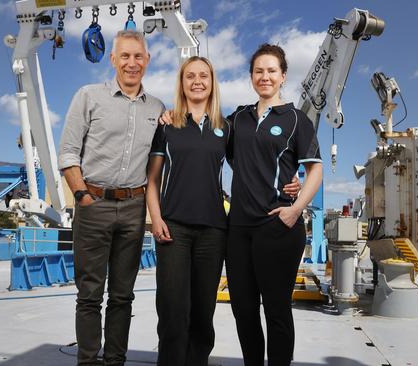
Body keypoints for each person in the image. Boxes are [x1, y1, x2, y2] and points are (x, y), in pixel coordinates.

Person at [150, 57, 300, 366]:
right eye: (190, 76)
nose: (197, 81)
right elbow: (151, 180)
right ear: (181, 83)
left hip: (214, 232)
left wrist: (290, 179)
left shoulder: (226, 127)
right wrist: (156, 218)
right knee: (172, 311)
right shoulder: (167, 125)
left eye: (204, 76)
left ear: (212, 82)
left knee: (203, 315)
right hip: (173, 228)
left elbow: (254, 160)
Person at [58, 30, 165, 366]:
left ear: (147, 60)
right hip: (94, 204)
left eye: (138, 57)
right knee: (89, 295)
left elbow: (157, 164)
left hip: (133, 209)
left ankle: (115, 361)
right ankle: (88, 361)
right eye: (125, 56)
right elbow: (69, 152)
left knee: (122, 296)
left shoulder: (158, 108)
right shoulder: (88, 96)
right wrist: (82, 196)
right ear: (113, 59)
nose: (132, 63)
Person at [225, 44, 323, 366]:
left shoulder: (296, 120)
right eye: (258, 71)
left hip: (278, 225)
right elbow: (204, 131)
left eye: (271, 71)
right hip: (238, 229)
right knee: (243, 309)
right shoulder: (237, 118)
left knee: (277, 309)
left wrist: (295, 210)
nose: (264, 76)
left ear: (282, 76)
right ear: (252, 77)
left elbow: (315, 169)